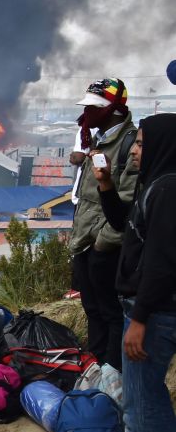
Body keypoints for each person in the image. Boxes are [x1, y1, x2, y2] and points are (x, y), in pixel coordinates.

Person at [95, 113, 176, 432]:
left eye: (142, 143)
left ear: (161, 146)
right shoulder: (158, 186)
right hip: (157, 310)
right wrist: (107, 186)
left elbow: (161, 264)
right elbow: (125, 224)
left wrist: (140, 318)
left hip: (154, 313)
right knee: (154, 393)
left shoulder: (166, 190)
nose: (136, 150)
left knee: (139, 401)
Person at [68, 78, 138, 372]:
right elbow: (86, 196)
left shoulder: (129, 144)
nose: (88, 113)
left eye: (95, 107)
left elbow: (127, 199)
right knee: (92, 309)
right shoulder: (99, 139)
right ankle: (93, 369)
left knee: (110, 312)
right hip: (85, 240)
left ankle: (111, 376)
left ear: (115, 109)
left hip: (105, 244)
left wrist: (102, 243)